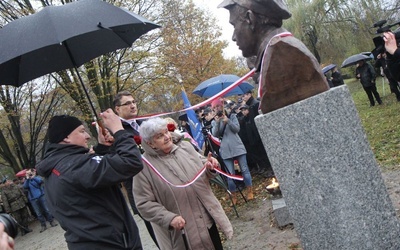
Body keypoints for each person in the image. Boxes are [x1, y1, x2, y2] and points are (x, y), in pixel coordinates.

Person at [36, 110, 144, 249]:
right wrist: (119, 131)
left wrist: (103, 148)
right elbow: (131, 162)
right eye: (81, 131)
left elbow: (95, 180)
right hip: (111, 243)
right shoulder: (75, 166)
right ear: (66, 138)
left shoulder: (59, 166)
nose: (87, 136)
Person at [133, 117, 233, 250]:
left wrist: (211, 167)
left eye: (166, 132)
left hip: (206, 220)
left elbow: (204, 168)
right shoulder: (144, 167)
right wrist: (169, 218)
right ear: (150, 143)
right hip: (181, 232)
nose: (167, 137)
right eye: (160, 136)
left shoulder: (185, 147)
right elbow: (143, 204)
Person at [218, 0, 329, 114]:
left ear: (250, 19)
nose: (233, 37)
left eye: (234, 25)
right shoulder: (275, 51)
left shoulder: (282, 53)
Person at [113, 91, 159, 248]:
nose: (133, 105)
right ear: (117, 109)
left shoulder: (143, 124)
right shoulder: (116, 132)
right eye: (127, 103)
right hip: (140, 188)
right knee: (159, 232)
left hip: (161, 180)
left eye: (134, 102)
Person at [211, 99, 253, 204]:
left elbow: (236, 129)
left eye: (218, 106)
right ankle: (234, 196)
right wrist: (218, 123)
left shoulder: (232, 116)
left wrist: (228, 121)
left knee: (244, 170)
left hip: (237, 147)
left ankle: (250, 190)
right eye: (215, 108)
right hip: (225, 150)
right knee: (230, 174)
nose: (217, 109)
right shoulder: (214, 121)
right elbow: (215, 134)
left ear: (222, 106)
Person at [23, 168, 57, 233]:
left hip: (41, 196)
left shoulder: (36, 178)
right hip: (33, 199)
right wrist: (27, 179)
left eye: (30, 172)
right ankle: (43, 225)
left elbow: (40, 181)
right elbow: (25, 187)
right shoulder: (26, 181)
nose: (29, 174)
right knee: (38, 213)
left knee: (46, 210)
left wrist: (33, 177)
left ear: (32, 172)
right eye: (27, 173)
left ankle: (51, 221)